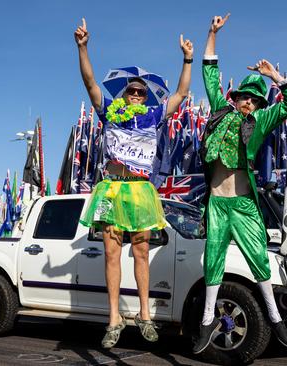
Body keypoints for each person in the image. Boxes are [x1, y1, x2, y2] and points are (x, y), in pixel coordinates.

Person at [74, 18, 193, 349]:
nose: (137, 94)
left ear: (146, 97)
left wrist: (187, 59)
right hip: (112, 186)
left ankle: (144, 315)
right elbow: (89, 82)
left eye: (141, 92)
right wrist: (83, 47)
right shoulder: (110, 113)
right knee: (111, 254)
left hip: (140, 189)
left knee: (141, 251)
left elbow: (182, 93)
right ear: (125, 94)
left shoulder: (154, 116)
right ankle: (114, 319)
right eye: (132, 91)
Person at [192, 14, 287, 354]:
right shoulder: (219, 112)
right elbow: (210, 72)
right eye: (243, 97)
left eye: (254, 99)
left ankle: (274, 316)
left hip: (242, 204)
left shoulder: (261, 120)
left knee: (259, 260)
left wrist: (275, 77)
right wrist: (212, 33)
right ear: (235, 97)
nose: (247, 103)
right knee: (213, 259)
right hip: (216, 203)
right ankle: (207, 320)